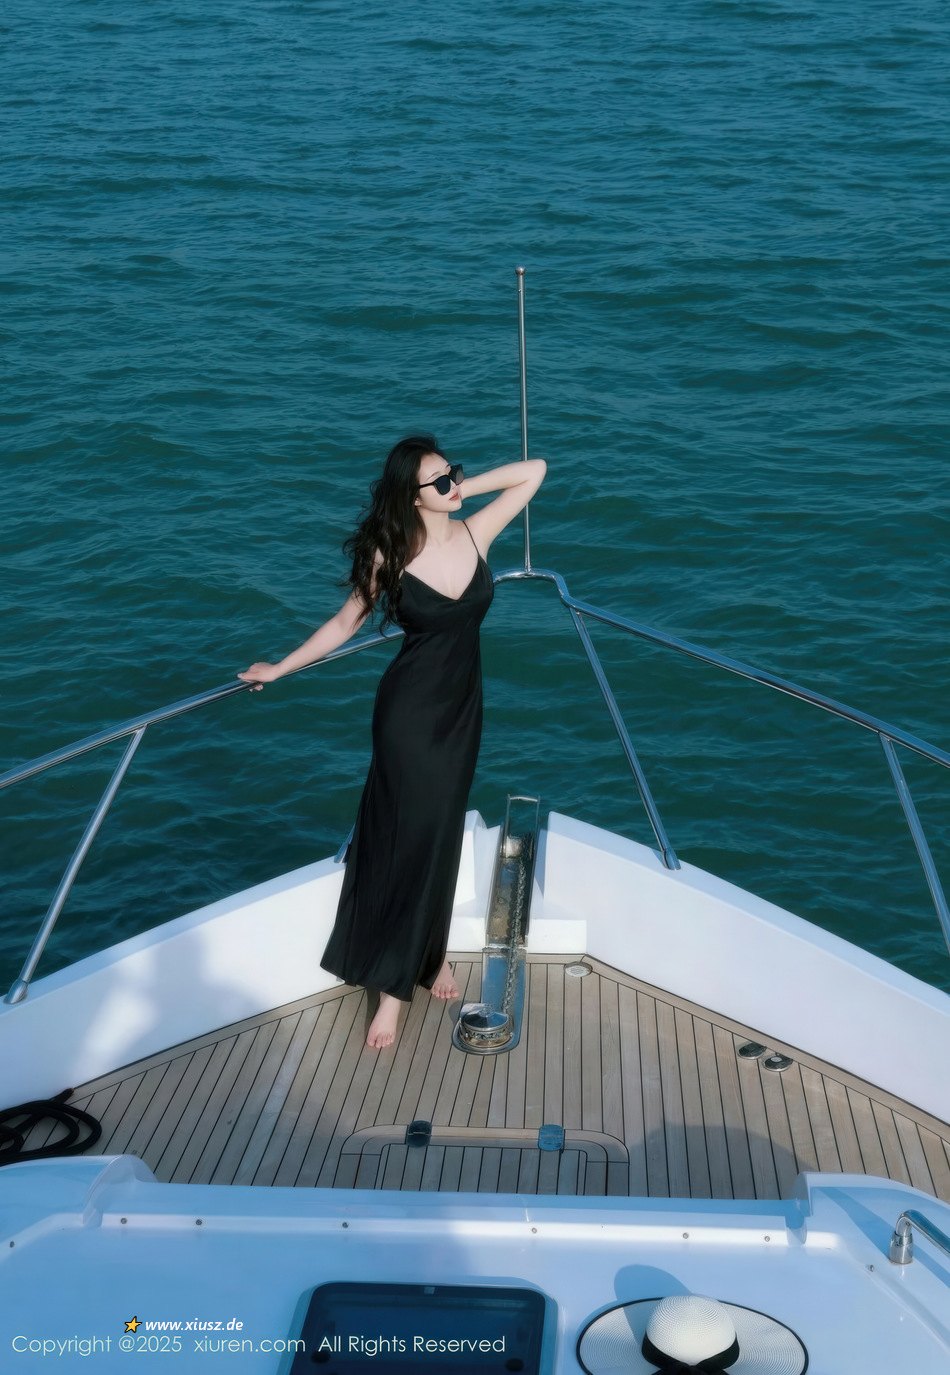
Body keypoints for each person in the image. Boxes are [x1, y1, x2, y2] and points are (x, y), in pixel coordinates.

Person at [239, 436, 546, 1048]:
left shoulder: (476, 533)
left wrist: (456, 488)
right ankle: (391, 989)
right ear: (410, 496)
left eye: (453, 472)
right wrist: (280, 667)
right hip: (408, 715)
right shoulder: (391, 555)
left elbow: (533, 471)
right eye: (438, 481)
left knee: (441, 834)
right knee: (410, 837)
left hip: (462, 712)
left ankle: (430, 956)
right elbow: (344, 622)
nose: (453, 485)